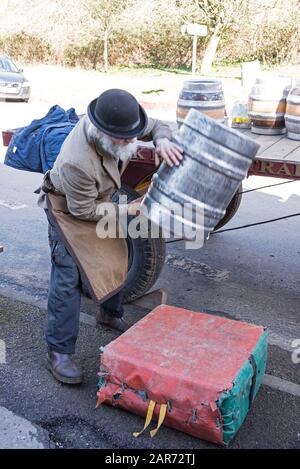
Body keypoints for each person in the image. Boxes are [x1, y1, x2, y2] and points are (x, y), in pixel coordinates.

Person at [38, 88, 183, 384]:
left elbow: (155, 126)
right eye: (126, 140)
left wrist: (163, 140)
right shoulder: (77, 162)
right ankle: (58, 352)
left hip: (101, 199)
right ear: (102, 133)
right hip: (69, 208)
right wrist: (128, 209)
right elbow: (84, 211)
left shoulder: (122, 124)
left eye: (134, 136)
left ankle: (107, 314)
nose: (132, 143)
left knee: (117, 253)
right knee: (68, 276)